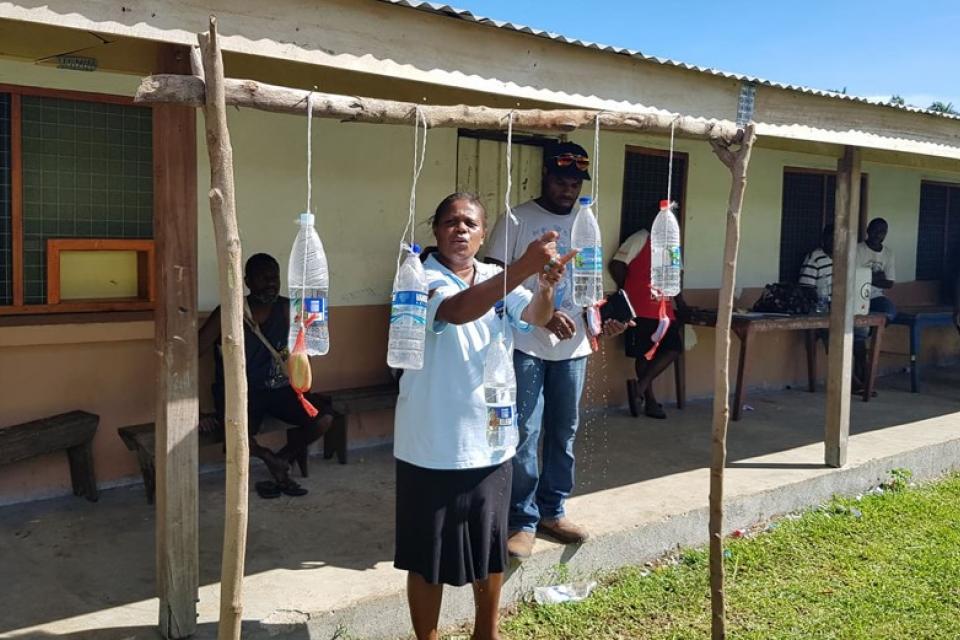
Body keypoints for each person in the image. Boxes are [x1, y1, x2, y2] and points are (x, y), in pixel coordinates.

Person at [393, 192, 569, 640]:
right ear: (436, 231)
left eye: (470, 223)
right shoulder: (418, 276)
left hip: (490, 440)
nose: (460, 229)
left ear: (483, 233)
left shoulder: (494, 275)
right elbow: (456, 311)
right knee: (426, 557)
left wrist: (545, 288)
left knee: (490, 549)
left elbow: (534, 317)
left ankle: (485, 633)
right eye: (451, 221)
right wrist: (524, 267)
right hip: (430, 444)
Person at [486, 141, 627, 560]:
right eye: (561, 180)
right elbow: (494, 281)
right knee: (525, 432)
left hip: (574, 347)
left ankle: (553, 510)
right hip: (525, 343)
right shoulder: (517, 219)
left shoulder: (587, 223)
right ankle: (522, 519)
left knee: (564, 431)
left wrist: (605, 320)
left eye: (575, 182)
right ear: (545, 175)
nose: (568, 189)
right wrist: (542, 315)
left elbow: (589, 286)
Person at [199, 253, 333, 499]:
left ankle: (281, 460)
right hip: (240, 393)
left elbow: (303, 350)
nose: (271, 283)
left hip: (279, 389)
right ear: (247, 282)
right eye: (263, 277)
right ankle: (271, 459)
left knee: (322, 418)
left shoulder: (287, 309)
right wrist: (197, 409)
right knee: (235, 438)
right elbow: (193, 352)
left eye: (275, 277)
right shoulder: (228, 312)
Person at [609, 225, 688, 419]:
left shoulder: (672, 245)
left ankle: (639, 387)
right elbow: (617, 265)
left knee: (674, 348)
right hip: (640, 308)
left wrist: (681, 303)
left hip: (665, 310)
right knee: (644, 355)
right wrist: (630, 289)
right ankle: (650, 401)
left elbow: (676, 277)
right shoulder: (641, 238)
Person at [854, 218, 897, 389]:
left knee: (890, 311)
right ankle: (863, 337)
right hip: (857, 296)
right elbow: (855, 277)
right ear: (868, 230)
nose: (878, 235)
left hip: (876, 297)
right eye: (875, 230)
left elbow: (890, 283)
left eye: (882, 232)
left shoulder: (888, 254)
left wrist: (869, 277)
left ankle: (868, 333)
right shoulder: (858, 250)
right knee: (861, 327)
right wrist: (877, 277)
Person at [799, 224, 834, 306]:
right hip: (822, 306)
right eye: (830, 239)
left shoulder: (845, 257)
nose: (833, 242)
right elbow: (806, 288)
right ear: (824, 239)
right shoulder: (814, 258)